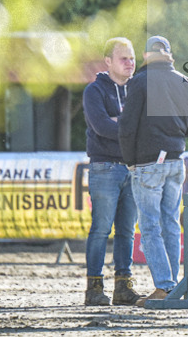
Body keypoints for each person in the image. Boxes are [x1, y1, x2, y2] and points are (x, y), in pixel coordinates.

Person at [119, 35, 188, 307]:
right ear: (169, 55)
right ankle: (173, 284)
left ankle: (164, 287)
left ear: (145, 56)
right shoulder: (185, 82)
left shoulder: (139, 82)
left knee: (150, 226)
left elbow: (127, 127)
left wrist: (130, 161)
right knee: (170, 223)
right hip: (177, 161)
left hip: (148, 162)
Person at [82, 37, 143, 306]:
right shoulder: (94, 91)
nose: (130, 63)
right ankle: (94, 288)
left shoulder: (140, 90)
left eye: (132, 58)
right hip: (104, 166)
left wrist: (118, 124)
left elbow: (146, 127)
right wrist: (130, 130)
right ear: (108, 61)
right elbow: (101, 127)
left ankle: (123, 287)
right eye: (123, 58)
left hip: (133, 168)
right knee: (100, 229)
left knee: (127, 231)